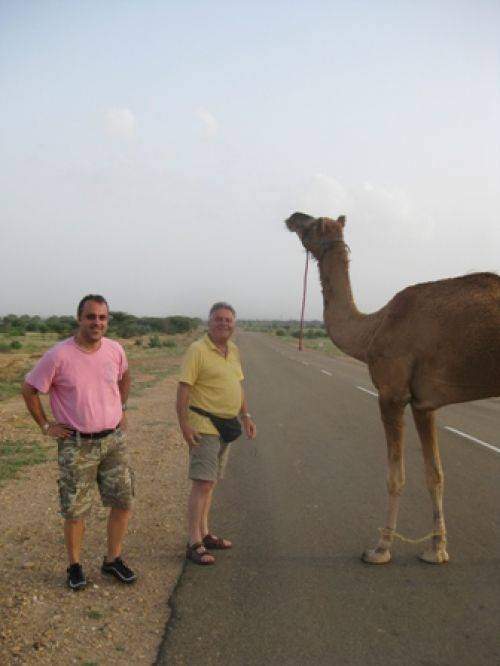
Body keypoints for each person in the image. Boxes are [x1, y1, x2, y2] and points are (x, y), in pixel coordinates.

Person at [21, 294, 136, 590]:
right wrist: (46, 425)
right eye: (91, 316)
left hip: (113, 441)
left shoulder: (115, 349)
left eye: (102, 317)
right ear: (79, 318)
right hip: (77, 444)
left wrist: (120, 409)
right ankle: (74, 566)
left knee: (122, 502)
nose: (97, 323)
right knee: (75, 510)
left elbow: (124, 376)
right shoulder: (58, 355)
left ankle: (113, 560)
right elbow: (29, 388)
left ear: (107, 320)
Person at [176, 302, 257, 565]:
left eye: (228, 320)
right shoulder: (197, 350)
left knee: (210, 483)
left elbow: (238, 385)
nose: (224, 323)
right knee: (203, 483)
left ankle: (205, 533)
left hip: (228, 423)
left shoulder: (232, 350)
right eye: (218, 319)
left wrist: (246, 416)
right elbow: (184, 390)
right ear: (209, 322)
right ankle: (193, 541)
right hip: (204, 424)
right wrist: (185, 425)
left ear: (234, 324)